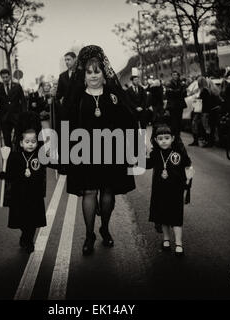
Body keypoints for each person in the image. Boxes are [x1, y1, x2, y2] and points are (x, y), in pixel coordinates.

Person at [65, 45, 137, 256]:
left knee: (107, 192)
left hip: (110, 151)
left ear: (103, 73)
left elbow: (128, 121)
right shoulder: (77, 99)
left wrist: (132, 148)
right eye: (89, 71)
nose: (94, 75)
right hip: (83, 151)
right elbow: (66, 125)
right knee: (88, 192)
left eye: (97, 71)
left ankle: (104, 227)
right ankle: (89, 235)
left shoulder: (113, 96)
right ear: (83, 75)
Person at [0, 111, 53, 254]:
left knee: (33, 219)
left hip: (34, 193)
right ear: (22, 142)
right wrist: (5, 175)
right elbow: (11, 173)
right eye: (27, 142)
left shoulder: (40, 152)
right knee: (21, 218)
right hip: (19, 193)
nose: (30, 144)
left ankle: (29, 239)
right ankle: (25, 234)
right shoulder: (15, 155)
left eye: (33, 141)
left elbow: (49, 163)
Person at [145, 123, 194, 256]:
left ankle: (179, 244)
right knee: (163, 217)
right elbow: (147, 164)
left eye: (166, 138)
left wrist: (187, 188)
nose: (164, 141)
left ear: (172, 138)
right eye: (160, 138)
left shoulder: (179, 153)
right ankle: (166, 240)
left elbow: (188, 168)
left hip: (175, 192)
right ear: (155, 140)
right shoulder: (156, 153)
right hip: (160, 191)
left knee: (176, 218)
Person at [55, 52, 77, 175]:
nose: (67, 62)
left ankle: (77, 163)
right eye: (65, 60)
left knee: (77, 138)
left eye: (69, 59)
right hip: (65, 113)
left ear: (75, 59)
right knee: (64, 139)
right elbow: (59, 94)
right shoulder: (62, 76)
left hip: (77, 112)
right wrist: (55, 96)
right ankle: (64, 165)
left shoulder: (81, 74)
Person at [0, 68, 27, 147]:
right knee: (7, 139)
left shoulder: (17, 86)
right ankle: (10, 157)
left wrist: (24, 115)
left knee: (18, 137)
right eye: (3, 77)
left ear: (9, 76)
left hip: (16, 116)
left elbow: (23, 101)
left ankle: (17, 152)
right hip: (5, 118)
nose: (5, 79)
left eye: (6, 77)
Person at [165, 71, 187, 136]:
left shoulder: (181, 84)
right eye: (173, 75)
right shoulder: (169, 84)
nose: (175, 76)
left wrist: (175, 91)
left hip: (180, 105)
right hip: (172, 106)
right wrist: (178, 91)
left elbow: (184, 94)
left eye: (176, 75)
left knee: (179, 122)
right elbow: (169, 94)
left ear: (178, 76)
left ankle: (178, 136)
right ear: (171, 76)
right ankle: (174, 136)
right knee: (173, 122)